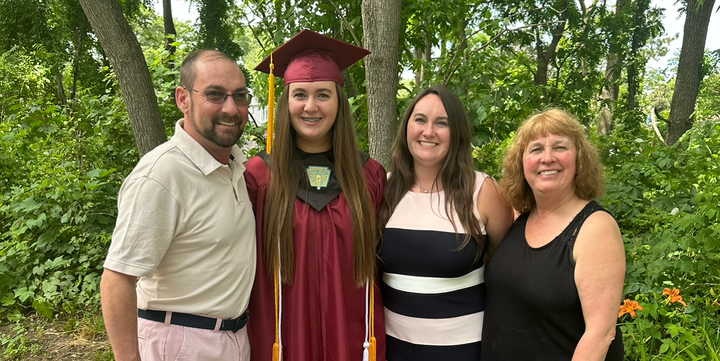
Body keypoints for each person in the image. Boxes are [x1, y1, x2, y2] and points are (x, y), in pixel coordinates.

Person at [100, 49, 256, 361]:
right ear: (183, 99)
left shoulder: (236, 167)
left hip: (233, 339)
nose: (231, 108)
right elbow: (117, 278)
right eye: (215, 94)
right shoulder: (162, 175)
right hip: (181, 344)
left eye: (239, 96)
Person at [246, 29, 386, 361]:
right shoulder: (259, 178)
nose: (311, 106)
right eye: (300, 95)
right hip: (283, 341)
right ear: (286, 102)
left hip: (353, 342)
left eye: (323, 94)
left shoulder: (369, 177)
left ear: (339, 102)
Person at [377, 86, 513, 360]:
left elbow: (505, 267)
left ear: (457, 133)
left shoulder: (483, 191)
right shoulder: (382, 189)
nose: (428, 131)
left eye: (442, 123)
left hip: (465, 350)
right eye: (420, 120)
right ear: (406, 128)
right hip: (394, 349)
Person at [481, 108, 625, 361]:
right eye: (536, 149)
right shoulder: (518, 219)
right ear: (521, 164)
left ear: (579, 159)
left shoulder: (595, 228)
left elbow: (600, 334)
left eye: (559, 147)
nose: (547, 158)